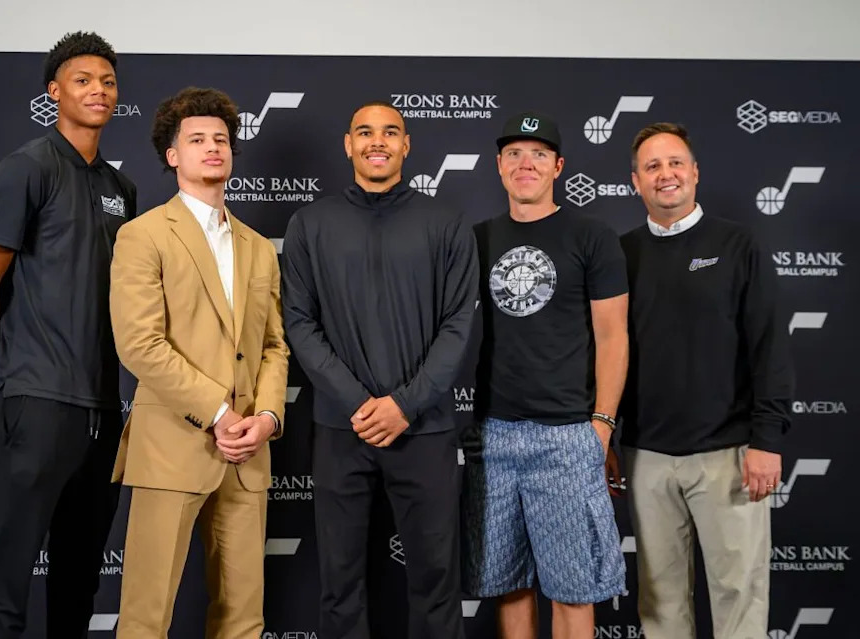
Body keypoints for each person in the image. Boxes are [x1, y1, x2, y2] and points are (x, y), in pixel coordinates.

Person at [0, 31, 135, 639]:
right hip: (34, 401)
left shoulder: (121, 189)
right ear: (54, 91)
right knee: (8, 581)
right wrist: (5, 376)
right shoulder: (26, 168)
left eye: (108, 82)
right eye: (84, 80)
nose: (99, 90)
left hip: (103, 410)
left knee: (78, 582)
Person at [280, 101, 478, 639]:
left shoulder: (446, 223)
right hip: (341, 430)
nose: (377, 141)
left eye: (390, 132)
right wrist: (360, 404)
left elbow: (459, 325)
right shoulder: (310, 224)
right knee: (339, 583)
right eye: (365, 132)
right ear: (348, 144)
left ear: (406, 145)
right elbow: (298, 323)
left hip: (426, 429)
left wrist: (403, 405)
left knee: (437, 581)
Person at [109, 87, 289, 639]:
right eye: (197, 139)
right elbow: (140, 343)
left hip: (248, 453)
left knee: (243, 619)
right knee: (146, 616)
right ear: (172, 155)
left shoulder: (259, 246)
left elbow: (273, 347)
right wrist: (217, 412)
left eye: (220, 139)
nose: (212, 147)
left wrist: (267, 419)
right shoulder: (141, 236)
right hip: (171, 447)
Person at [620, 122, 793, 639]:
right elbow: (606, 354)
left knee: (739, 595)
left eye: (675, 163)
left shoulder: (738, 244)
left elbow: (770, 347)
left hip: (730, 454)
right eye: (652, 167)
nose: (665, 175)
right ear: (635, 182)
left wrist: (767, 440)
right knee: (659, 603)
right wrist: (608, 433)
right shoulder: (620, 254)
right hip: (646, 455)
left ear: (695, 173)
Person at [462, 112, 628, 639]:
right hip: (494, 434)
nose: (525, 163)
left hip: (567, 434)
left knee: (573, 589)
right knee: (508, 585)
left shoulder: (592, 235)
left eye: (537, 154)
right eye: (514, 153)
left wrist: (600, 426)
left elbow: (613, 337)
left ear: (557, 166)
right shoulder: (477, 238)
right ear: (498, 167)